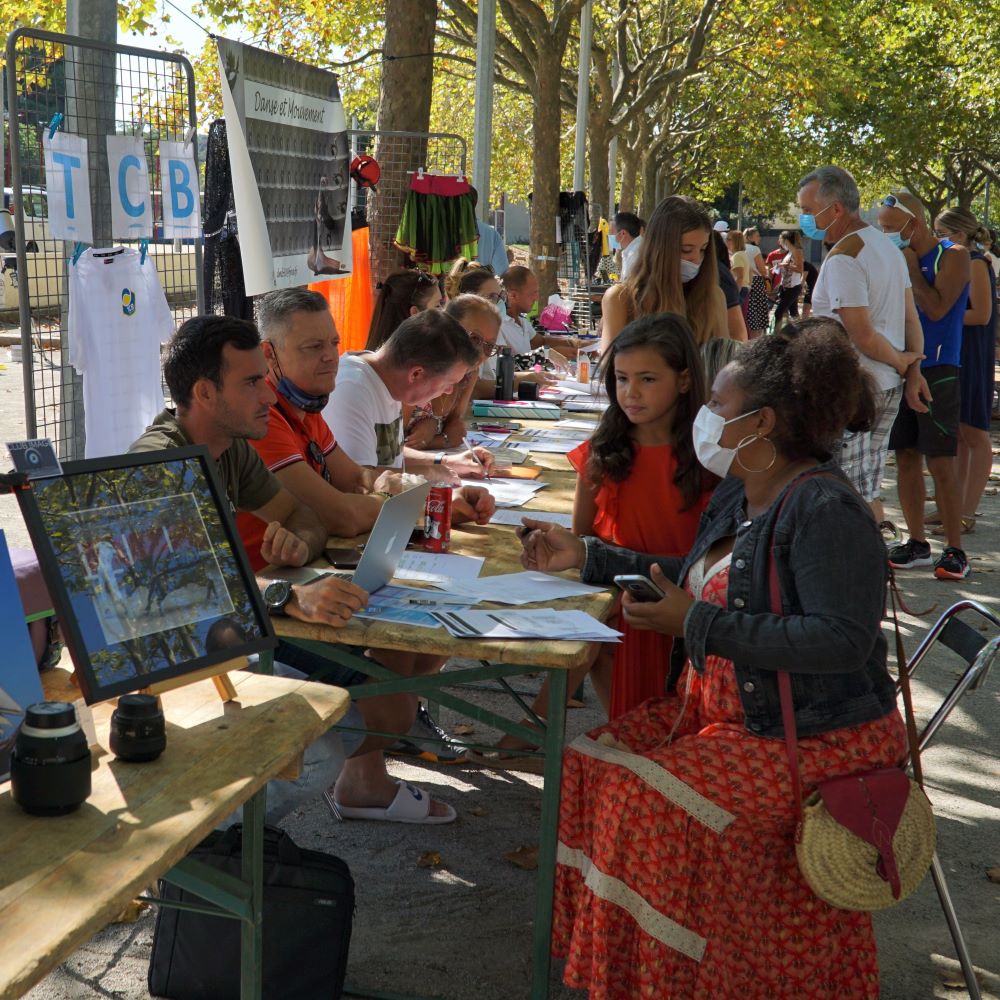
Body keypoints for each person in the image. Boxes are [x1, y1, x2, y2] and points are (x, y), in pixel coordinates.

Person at [518, 322, 904, 999]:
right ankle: (625, 974)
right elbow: (698, 577)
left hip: (812, 738)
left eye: (719, 407)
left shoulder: (823, 506)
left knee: (640, 801)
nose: (706, 420)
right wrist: (588, 556)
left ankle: (680, 979)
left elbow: (842, 641)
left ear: (764, 422)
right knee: (586, 765)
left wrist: (698, 625)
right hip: (726, 715)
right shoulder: (742, 490)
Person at [130, 314, 458, 824]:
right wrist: (286, 594)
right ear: (205, 392)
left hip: (242, 629)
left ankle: (258, 824)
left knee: (396, 678)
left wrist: (298, 547)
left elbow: (302, 516)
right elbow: (180, 594)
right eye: (252, 382)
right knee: (366, 718)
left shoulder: (230, 447)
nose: (267, 394)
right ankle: (217, 839)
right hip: (190, 661)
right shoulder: (158, 466)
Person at [568, 313, 713, 718]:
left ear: (684, 380)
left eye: (648, 379)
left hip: (691, 617)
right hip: (623, 617)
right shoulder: (600, 454)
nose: (631, 392)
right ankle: (526, 739)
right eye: (621, 378)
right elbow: (582, 543)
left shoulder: (713, 459)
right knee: (630, 732)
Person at [797, 165, 926, 524]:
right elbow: (909, 318)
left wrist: (905, 364)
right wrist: (910, 369)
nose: (804, 219)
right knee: (866, 487)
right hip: (885, 385)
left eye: (808, 210)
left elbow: (862, 335)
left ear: (835, 209)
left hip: (854, 388)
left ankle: (855, 568)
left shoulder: (844, 258)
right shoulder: (886, 248)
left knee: (842, 491)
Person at [878, 192, 971, 580]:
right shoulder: (891, 257)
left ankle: (955, 550)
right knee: (906, 457)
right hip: (901, 364)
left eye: (888, 226)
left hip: (939, 366)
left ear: (912, 222)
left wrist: (910, 268)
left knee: (940, 460)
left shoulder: (953, 254)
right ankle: (917, 542)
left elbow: (936, 307)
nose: (884, 234)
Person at [323, 308, 498, 480]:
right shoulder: (353, 389)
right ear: (416, 374)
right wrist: (429, 474)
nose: (449, 391)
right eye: (448, 383)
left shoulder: (388, 381)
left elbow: (389, 458)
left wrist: (446, 462)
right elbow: (358, 482)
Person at [930, 206, 996, 536]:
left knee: (974, 432)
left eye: (940, 233)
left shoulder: (975, 263)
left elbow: (981, 314)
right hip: (956, 350)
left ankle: (966, 512)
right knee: (955, 432)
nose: (936, 239)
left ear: (957, 235)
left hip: (972, 352)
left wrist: (939, 313)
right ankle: (949, 508)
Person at [600, 196, 729, 353]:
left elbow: (721, 365)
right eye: (686, 249)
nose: (696, 259)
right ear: (660, 249)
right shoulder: (620, 300)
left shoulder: (714, 297)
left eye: (703, 249)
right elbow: (610, 373)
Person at [364, 269, 443, 352]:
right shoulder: (413, 356)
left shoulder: (382, 352)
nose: (442, 311)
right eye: (437, 305)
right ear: (415, 313)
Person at [470, 185, 509, 276]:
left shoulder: (491, 234)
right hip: (481, 287)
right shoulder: (491, 234)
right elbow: (502, 272)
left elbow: (502, 273)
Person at [742, 227, 771, 338]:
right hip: (756, 282)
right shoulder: (755, 249)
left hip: (744, 281)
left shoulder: (739, 248)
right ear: (750, 237)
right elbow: (762, 270)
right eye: (757, 235)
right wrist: (767, 275)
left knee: (747, 313)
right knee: (757, 317)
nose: (759, 238)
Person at [772, 229, 804, 325]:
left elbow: (800, 269)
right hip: (787, 287)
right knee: (793, 313)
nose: (779, 242)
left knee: (778, 313)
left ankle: (777, 335)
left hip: (792, 287)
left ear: (785, 240)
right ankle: (799, 333)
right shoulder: (790, 252)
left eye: (780, 239)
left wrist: (785, 265)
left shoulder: (796, 251)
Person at [612, 211, 644, 280]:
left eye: (611, 232)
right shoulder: (631, 250)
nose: (609, 236)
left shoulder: (636, 253)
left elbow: (629, 287)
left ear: (623, 233)